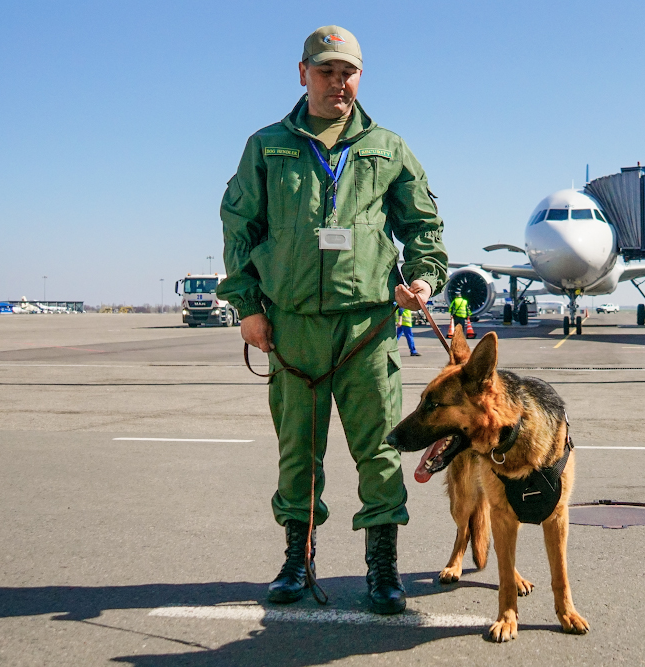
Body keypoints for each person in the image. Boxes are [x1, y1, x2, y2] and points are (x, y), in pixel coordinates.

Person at [217, 25, 447, 615]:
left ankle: (383, 569)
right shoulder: (267, 147)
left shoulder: (387, 148)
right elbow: (239, 228)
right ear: (302, 73)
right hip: (292, 326)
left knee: (378, 450)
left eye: (347, 71)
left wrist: (423, 277)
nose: (337, 81)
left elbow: (424, 224)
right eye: (325, 70)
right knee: (298, 450)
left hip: (368, 327)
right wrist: (247, 307)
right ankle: (298, 560)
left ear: (359, 77)